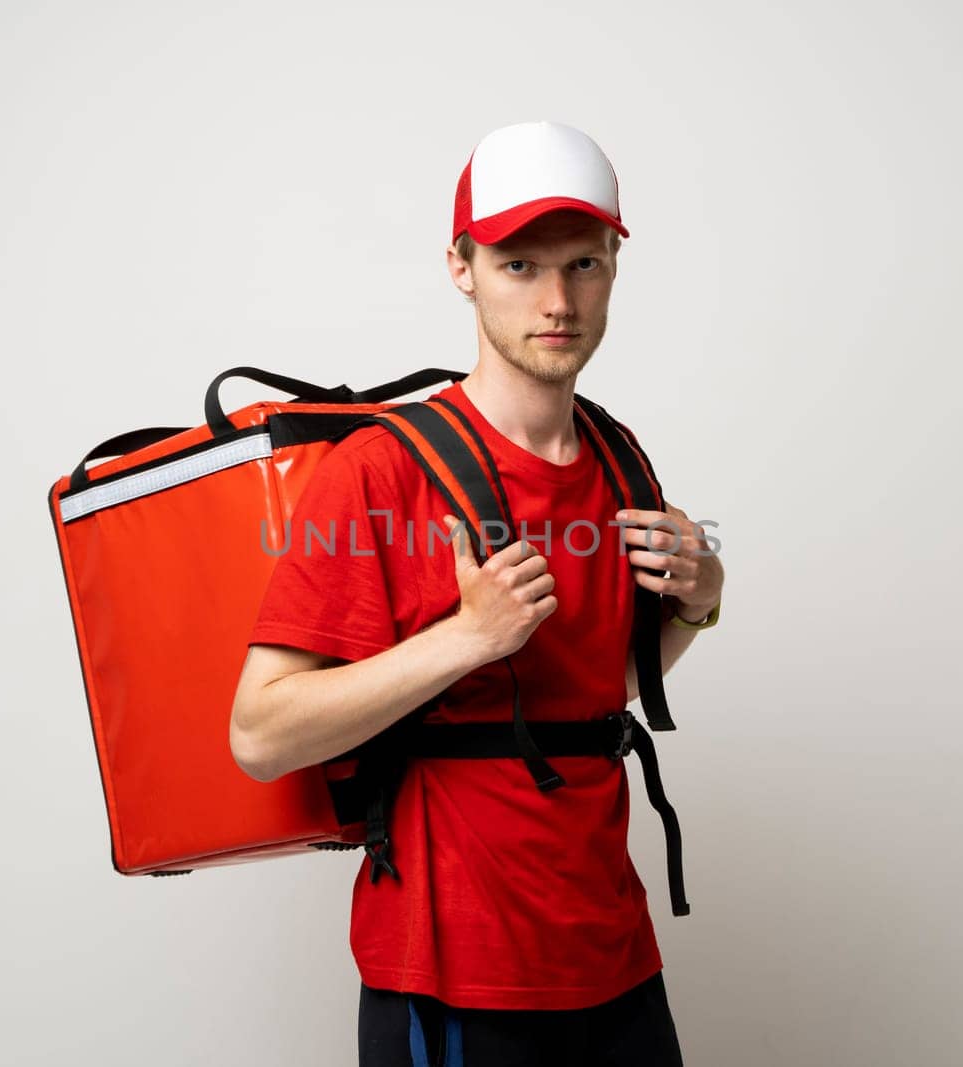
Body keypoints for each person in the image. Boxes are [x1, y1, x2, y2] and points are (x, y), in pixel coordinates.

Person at [231, 120, 724, 1066]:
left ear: (615, 264)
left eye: (582, 263)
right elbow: (258, 733)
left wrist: (701, 600)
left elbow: (590, 691)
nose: (556, 299)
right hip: (454, 974)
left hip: (614, 958)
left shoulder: (621, 460)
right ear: (461, 266)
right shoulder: (382, 471)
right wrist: (466, 637)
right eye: (517, 265)